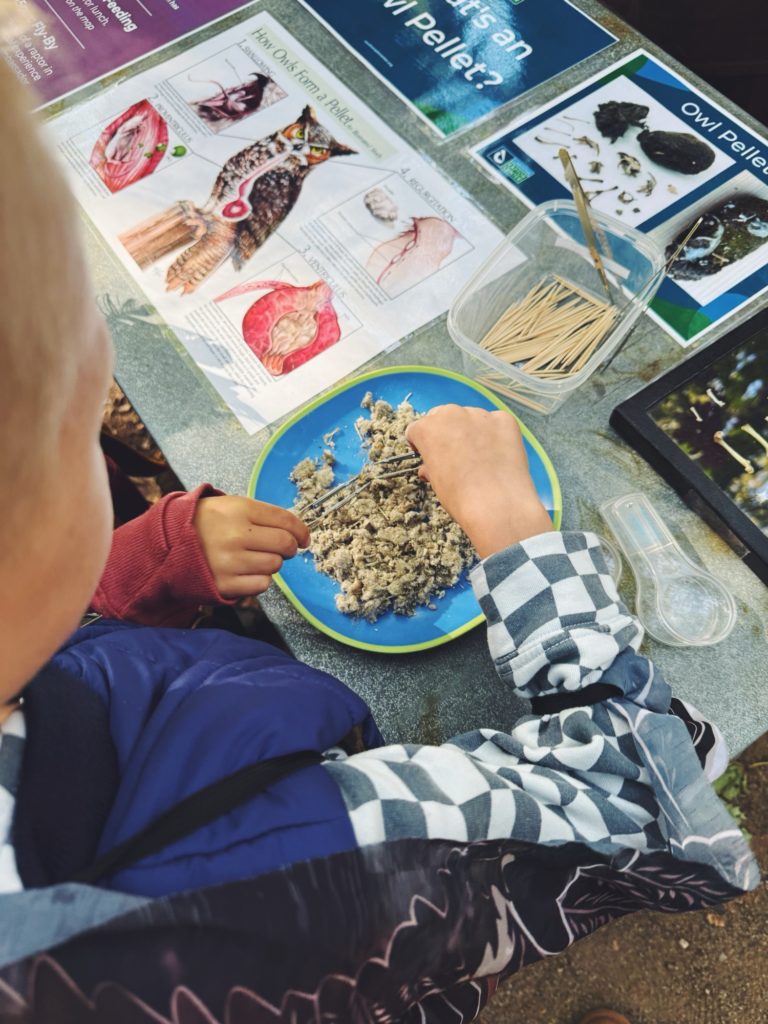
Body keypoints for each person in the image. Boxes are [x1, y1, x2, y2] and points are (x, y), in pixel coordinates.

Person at [0, 50, 757, 1024]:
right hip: (366, 949)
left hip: (270, 772)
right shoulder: (201, 893)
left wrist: (160, 556)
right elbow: (650, 802)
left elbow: (61, 615)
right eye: (75, 420)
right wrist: (514, 533)